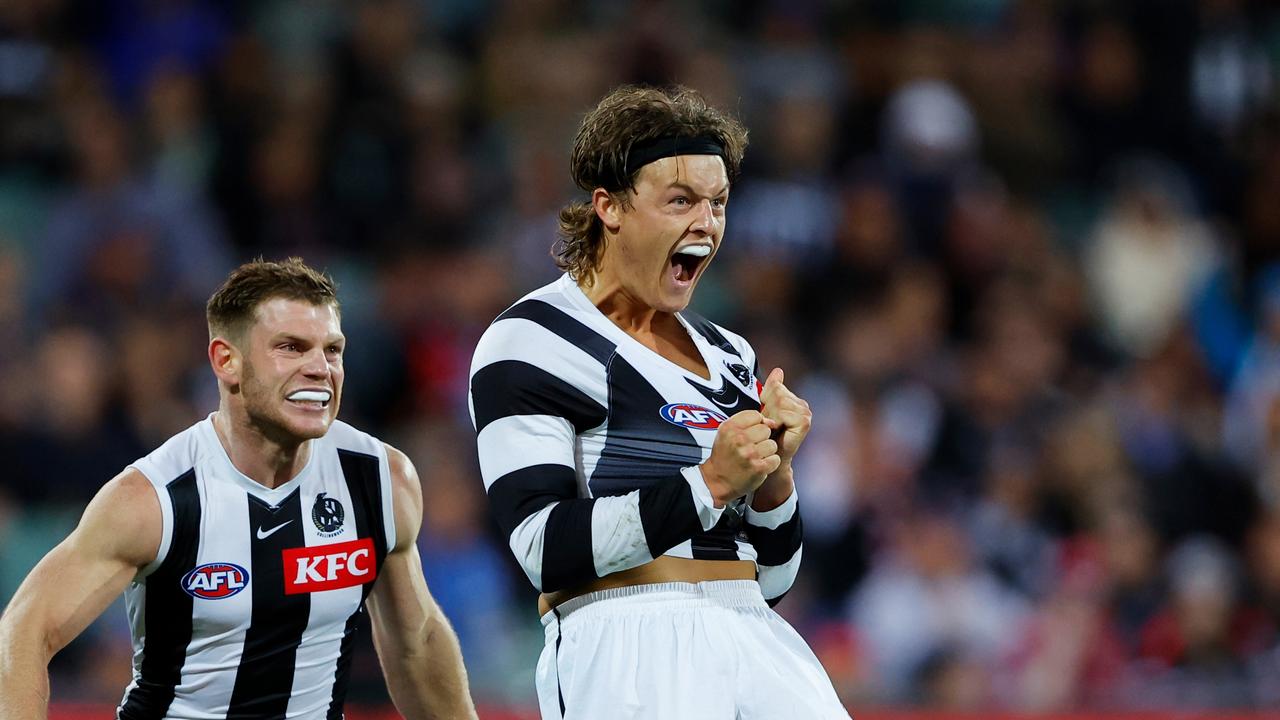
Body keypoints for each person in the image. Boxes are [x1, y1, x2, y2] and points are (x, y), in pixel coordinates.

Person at [468, 85, 849, 719]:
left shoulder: (731, 355)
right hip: (624, 639)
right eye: (681, 201)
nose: (707, 223)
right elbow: (542, 546)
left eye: (719, 203)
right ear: (609, 207)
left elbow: (773, 582)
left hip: (754, 635)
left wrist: (775, 475)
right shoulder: (530, 338)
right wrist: (709, 482)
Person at [0, 258, 478, 719]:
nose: (320, 368)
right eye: (291, 347)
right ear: (226, 361)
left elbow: (416, 645)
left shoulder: (380, 480)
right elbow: (25, 628)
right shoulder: (155, 499)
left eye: (332, 349)